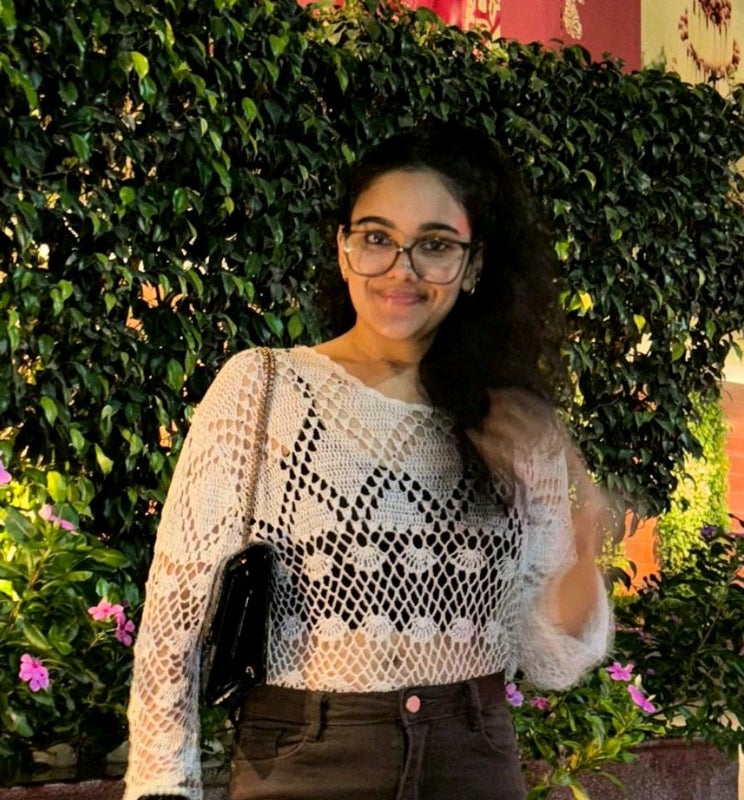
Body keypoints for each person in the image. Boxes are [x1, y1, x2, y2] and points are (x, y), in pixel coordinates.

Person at [123, 122, 612, 800]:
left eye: (434, 245)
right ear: (344, 249)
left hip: (471, 762)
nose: (401, 269)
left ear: (473, 265)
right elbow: (172, 624)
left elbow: (551, 660)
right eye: (377, 238)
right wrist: (162, 787)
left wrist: (583, 548)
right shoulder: (263, 390)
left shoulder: (511, 421)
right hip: (302, 764)